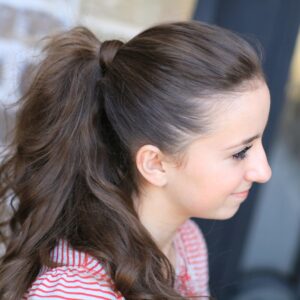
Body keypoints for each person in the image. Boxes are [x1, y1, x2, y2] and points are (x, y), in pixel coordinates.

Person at [0, 20, 272, 299]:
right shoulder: (78, 291)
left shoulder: (187, 244)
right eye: (240, 152)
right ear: (154, 164)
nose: (264, 171)